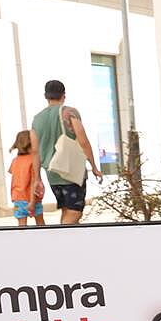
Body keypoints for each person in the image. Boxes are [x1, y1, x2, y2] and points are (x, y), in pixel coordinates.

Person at [32, 80, 96, 224]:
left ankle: (69, 243)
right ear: (64, 95)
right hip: (71, 170)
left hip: (52, 172)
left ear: (45, 96)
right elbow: (83, 140)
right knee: (75, 211)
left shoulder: (37, 119)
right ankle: (59, 240)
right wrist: (94, 166)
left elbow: (35, 151)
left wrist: (37, 178)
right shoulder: (69, 112)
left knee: (66, 210)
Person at [8, 130, 45, 227]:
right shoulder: (34, 161)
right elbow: (34, 182)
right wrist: (32, 202)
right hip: (31, 198)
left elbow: (15, 178)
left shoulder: (15, 161)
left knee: (22, 226)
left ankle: (23, 242)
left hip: (18, 198)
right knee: (40, 224)